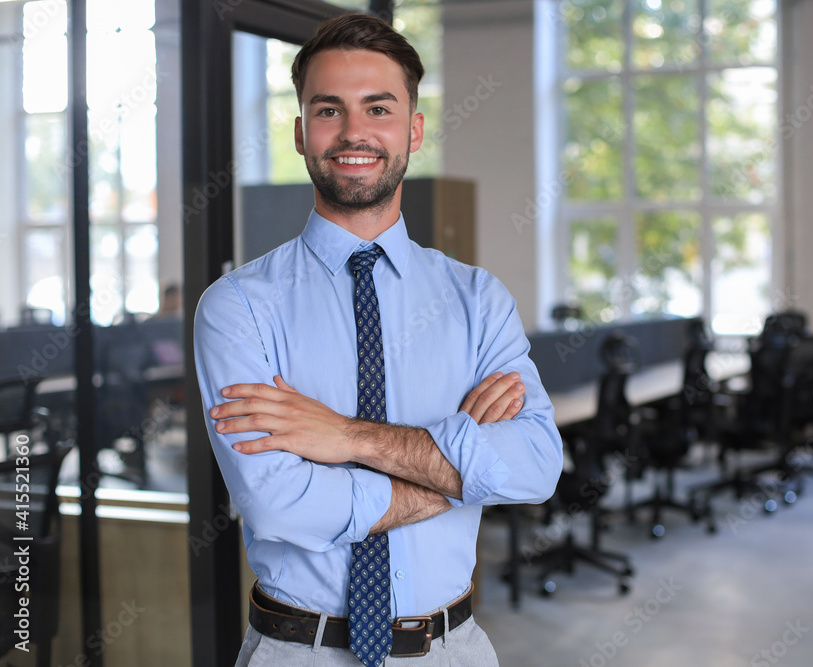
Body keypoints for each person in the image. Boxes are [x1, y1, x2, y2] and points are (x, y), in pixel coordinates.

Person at [193, 13, 562, 667]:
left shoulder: (476, 299)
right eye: (329, 110)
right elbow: (278, 505)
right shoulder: (240, 307)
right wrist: (458, 475)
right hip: (298, 651)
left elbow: (534, 465)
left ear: (413, 130)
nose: (355, 132)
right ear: (302, 132)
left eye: (379, 108)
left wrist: (348, 437)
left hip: (453, 649)